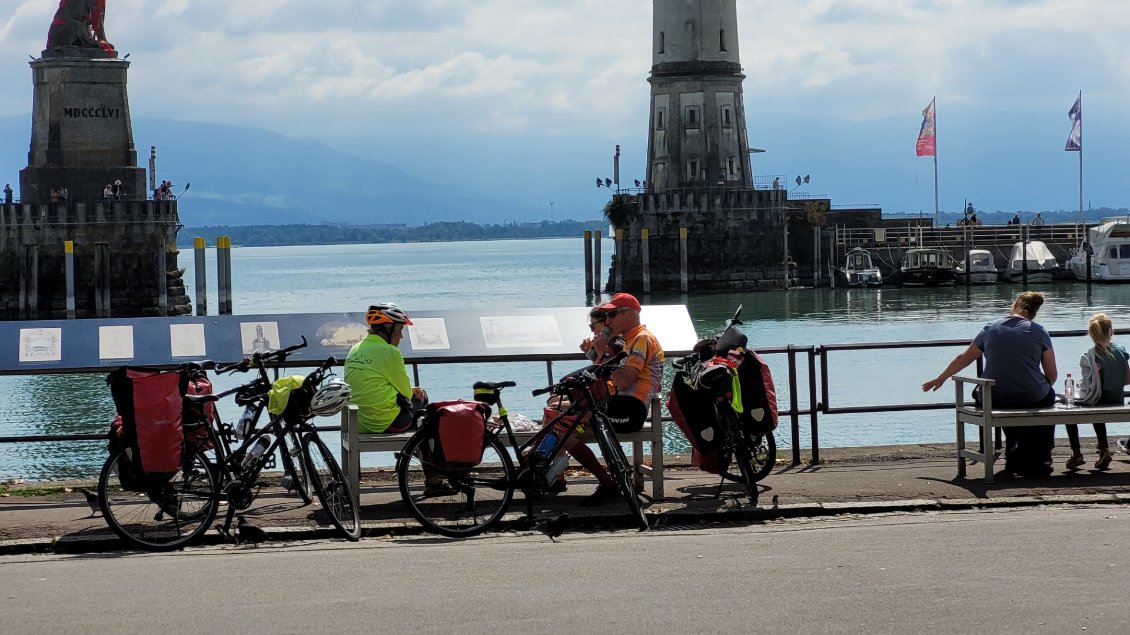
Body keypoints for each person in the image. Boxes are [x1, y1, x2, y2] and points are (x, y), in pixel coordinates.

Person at [922, 291, 1058, 476]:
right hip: (1030, 396)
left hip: (993, 397)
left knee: (1005, 397)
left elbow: (963, 358)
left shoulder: (991, 328)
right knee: (1047, 397)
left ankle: (1014, 451)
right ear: (1035, 311)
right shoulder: (1039, 331)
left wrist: (941, 378)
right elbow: (1052, 374)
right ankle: (1041, 455)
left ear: (1016, 303)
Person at [575, 292, 665, 505]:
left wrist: (604, 356)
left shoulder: (642, 339)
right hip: (620, 405)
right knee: (562, 417)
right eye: (606, 316)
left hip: (631, 410)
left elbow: (624, 382)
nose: (608, 321)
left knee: (567, 431)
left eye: (612, 315)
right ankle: (610, 479)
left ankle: (610, 482)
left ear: (630, 314)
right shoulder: (630, 339)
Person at [344, 303, 429, 435]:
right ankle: (412, 450)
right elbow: (406, 393)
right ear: (389, 328)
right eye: (400, 329)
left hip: (357, 423)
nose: (401, 336)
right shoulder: (390, 352)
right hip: (383, 424)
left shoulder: (355, 348)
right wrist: (413, 392)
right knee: (422, 397)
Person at [1068, 313, 1129, 469]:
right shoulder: (1121, 351)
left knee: (1069, 409)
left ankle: (1077, 453)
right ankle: (1103, 450)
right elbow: (1127, 380)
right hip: (1117, 399)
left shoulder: (1089, 355)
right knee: (1098, 403)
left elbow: (1089, 387)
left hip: (1099, 400)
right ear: (1110, 331)